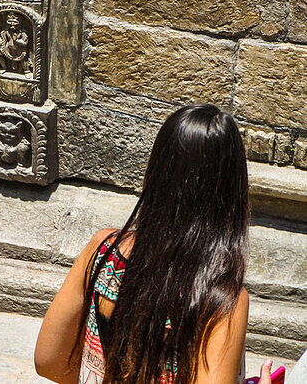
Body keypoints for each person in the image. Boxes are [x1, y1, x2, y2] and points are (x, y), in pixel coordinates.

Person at [35, 104, 252, 383]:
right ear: (232, 190)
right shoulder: (221, 299)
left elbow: (49, 360)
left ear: (157, 170)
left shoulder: (104, 251)